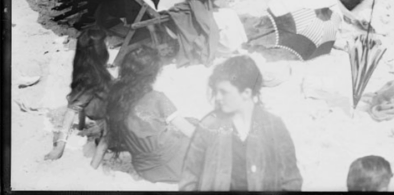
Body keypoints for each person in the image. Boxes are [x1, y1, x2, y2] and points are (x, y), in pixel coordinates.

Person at [180, 56, 302, 191]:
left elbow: (291, 180)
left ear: (246, 93)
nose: (218, 97)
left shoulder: (274, 127)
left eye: (224, 92)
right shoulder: (208, 127)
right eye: (217, 91)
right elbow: (189, 178)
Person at [106, 46, 195, 183]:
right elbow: (190, 131)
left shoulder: (115, 96)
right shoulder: (157, 98)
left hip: (145, 170)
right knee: (194, 125)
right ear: (153, 74)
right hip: (174, 166)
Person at [45, 27, 112, 163]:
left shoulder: (84, 69)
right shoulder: (92, 77)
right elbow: (73, 109)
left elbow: (77, 104)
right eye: (105, 45)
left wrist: (81, 124)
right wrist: (60, 145)